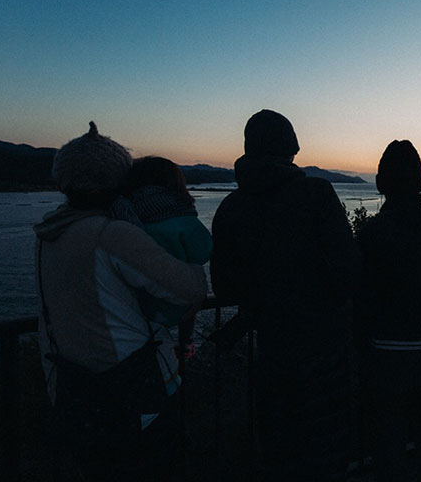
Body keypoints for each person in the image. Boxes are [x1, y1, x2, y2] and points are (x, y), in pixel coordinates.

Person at [34, 122, 207, 481]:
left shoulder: (48, 235)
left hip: (74, 393)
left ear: (63, 183)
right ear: (117, 180)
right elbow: (188, 289)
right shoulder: (112, 234)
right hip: (131, 395)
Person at [210, 109, 359, 481]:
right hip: (324, 347)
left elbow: (225, 287)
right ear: (291, 147)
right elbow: (348, 272)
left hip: (270, 348)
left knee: (278, 450)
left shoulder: (231, 208)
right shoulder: (316, 194)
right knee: (326, 449)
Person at [355, 140, 421, 482]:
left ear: (380, 182)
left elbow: (359, 298)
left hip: (386, 356)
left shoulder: (371, 233)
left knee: (388, 450)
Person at [125, 156, 213, 358]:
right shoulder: (181, 215)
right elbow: (203, 250)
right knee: (194, 272)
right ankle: (186, 343)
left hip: (137, 308)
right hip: (178, 303)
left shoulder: (126, 213)